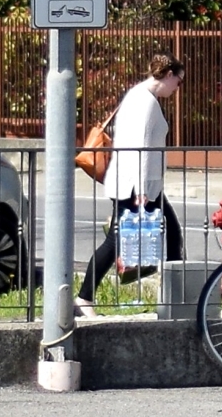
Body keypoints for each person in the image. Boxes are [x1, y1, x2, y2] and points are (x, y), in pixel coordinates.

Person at [78, 54, 185, 311]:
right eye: (178, 82)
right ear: (168, 75)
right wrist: (141, 190)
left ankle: (174, 297)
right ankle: (84, 298)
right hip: (136, 185)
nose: (177, 88)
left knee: (172, 232)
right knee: (118, 240)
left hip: (142, 185)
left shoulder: (139, 95)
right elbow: (140, 147)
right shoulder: (146, 101)